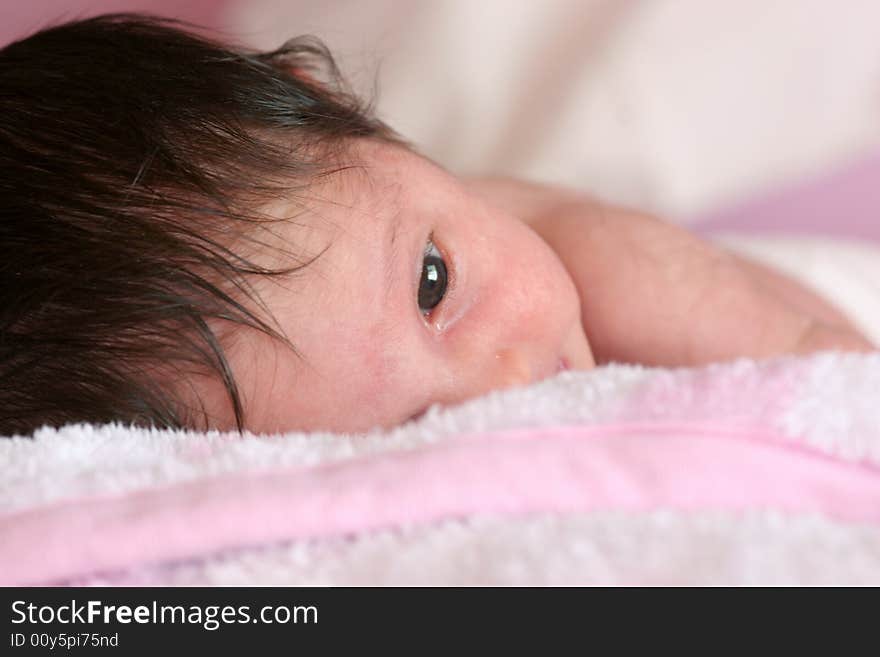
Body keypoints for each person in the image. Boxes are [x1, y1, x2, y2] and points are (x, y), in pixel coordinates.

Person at [0, 14, 873, 437]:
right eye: (413, 431)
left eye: (433, 285)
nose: (506, 387)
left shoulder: (611, 268)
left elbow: (840, 388)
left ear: (324, 96)